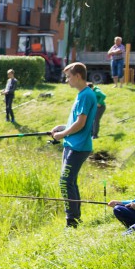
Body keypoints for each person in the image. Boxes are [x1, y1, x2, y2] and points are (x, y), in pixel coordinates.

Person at [51, 62, 96, 228]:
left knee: (65, 181)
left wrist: (62, 135)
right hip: (72, 144)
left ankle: (72, 221)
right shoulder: (82, 94)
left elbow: (81, 123)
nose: (67, 80)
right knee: (70, 182)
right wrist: (61, 128)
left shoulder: (86, 95)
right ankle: (75, 219)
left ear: (78, 76)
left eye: (68, 76)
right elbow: (74, 122)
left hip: (79, 146)